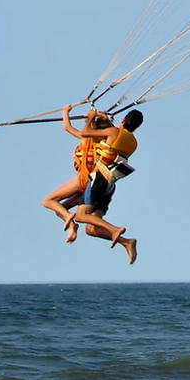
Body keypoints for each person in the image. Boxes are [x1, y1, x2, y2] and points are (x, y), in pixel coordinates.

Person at [67, 108, 143, 265]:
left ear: (122, 120)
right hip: (110, 185)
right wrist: (102, 119)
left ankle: (115, 230)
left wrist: (90, 117)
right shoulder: (133, 142)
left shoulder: (114, 132)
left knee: (81, 216)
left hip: (99, 179)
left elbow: (86, 133)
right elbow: (106, 140)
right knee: (91, 229)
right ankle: (126, 242)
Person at [41, 107, 114, 241]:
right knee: (61, 209)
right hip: (91, 183)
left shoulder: (86, 138)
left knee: (48, 201)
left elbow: (67, 127)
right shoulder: (106, 139)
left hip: (84, 179)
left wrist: (65, 111)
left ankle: (70, 220)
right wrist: (97, 116)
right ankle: (72, 226)